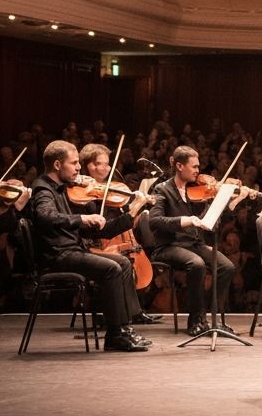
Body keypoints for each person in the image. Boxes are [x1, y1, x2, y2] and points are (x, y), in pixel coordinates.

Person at [29, 141, 151, 351]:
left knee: (122, 262)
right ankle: (114, 336)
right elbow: (44, 216)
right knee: (111, 268)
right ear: (57, 165)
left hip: (72, 249)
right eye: (74, 163)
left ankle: (122, 329)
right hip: (58, 255)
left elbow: (94, 230)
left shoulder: (63, 189)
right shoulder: (43, 188)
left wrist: (130, 214)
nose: (79, 168)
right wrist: (82, 219)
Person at [148, 145, 237, 336]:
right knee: (196, 264)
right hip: (169, 246)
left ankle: (211, 317)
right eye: (194, 166)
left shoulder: (196, 191)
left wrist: (226, 202)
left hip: (193, 244)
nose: (198, 171)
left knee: (226, 267)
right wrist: (184, 220)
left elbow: (208, 220)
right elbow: (154, 221)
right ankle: (196, 320)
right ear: (180, 166)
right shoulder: (162, 189)